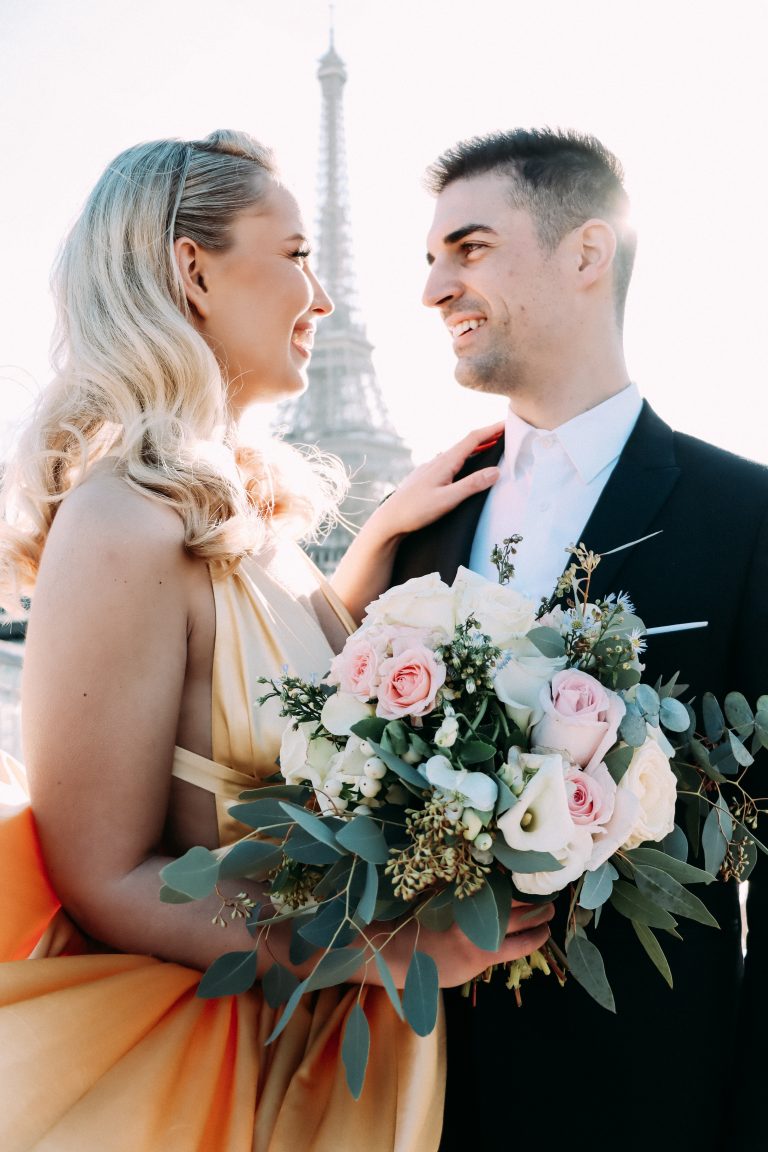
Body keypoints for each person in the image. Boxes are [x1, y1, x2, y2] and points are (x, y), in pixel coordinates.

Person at [0, 130, 554, 1152]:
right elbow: (102, 875)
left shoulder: (247, 529)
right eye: (295, 255)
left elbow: (264, 694)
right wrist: (387, 944)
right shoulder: (119, 522)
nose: (325, 296)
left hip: (329, 1060)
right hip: (223, 1080)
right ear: (192, 268)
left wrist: (381, 535)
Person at [392, 128, 768, 1151]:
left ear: (587, 253)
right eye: (429, 258)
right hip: (411, 1102)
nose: (434, 287)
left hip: (650, 1103)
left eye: (467, 249)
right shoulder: (414, 528)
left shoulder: (746, 516)